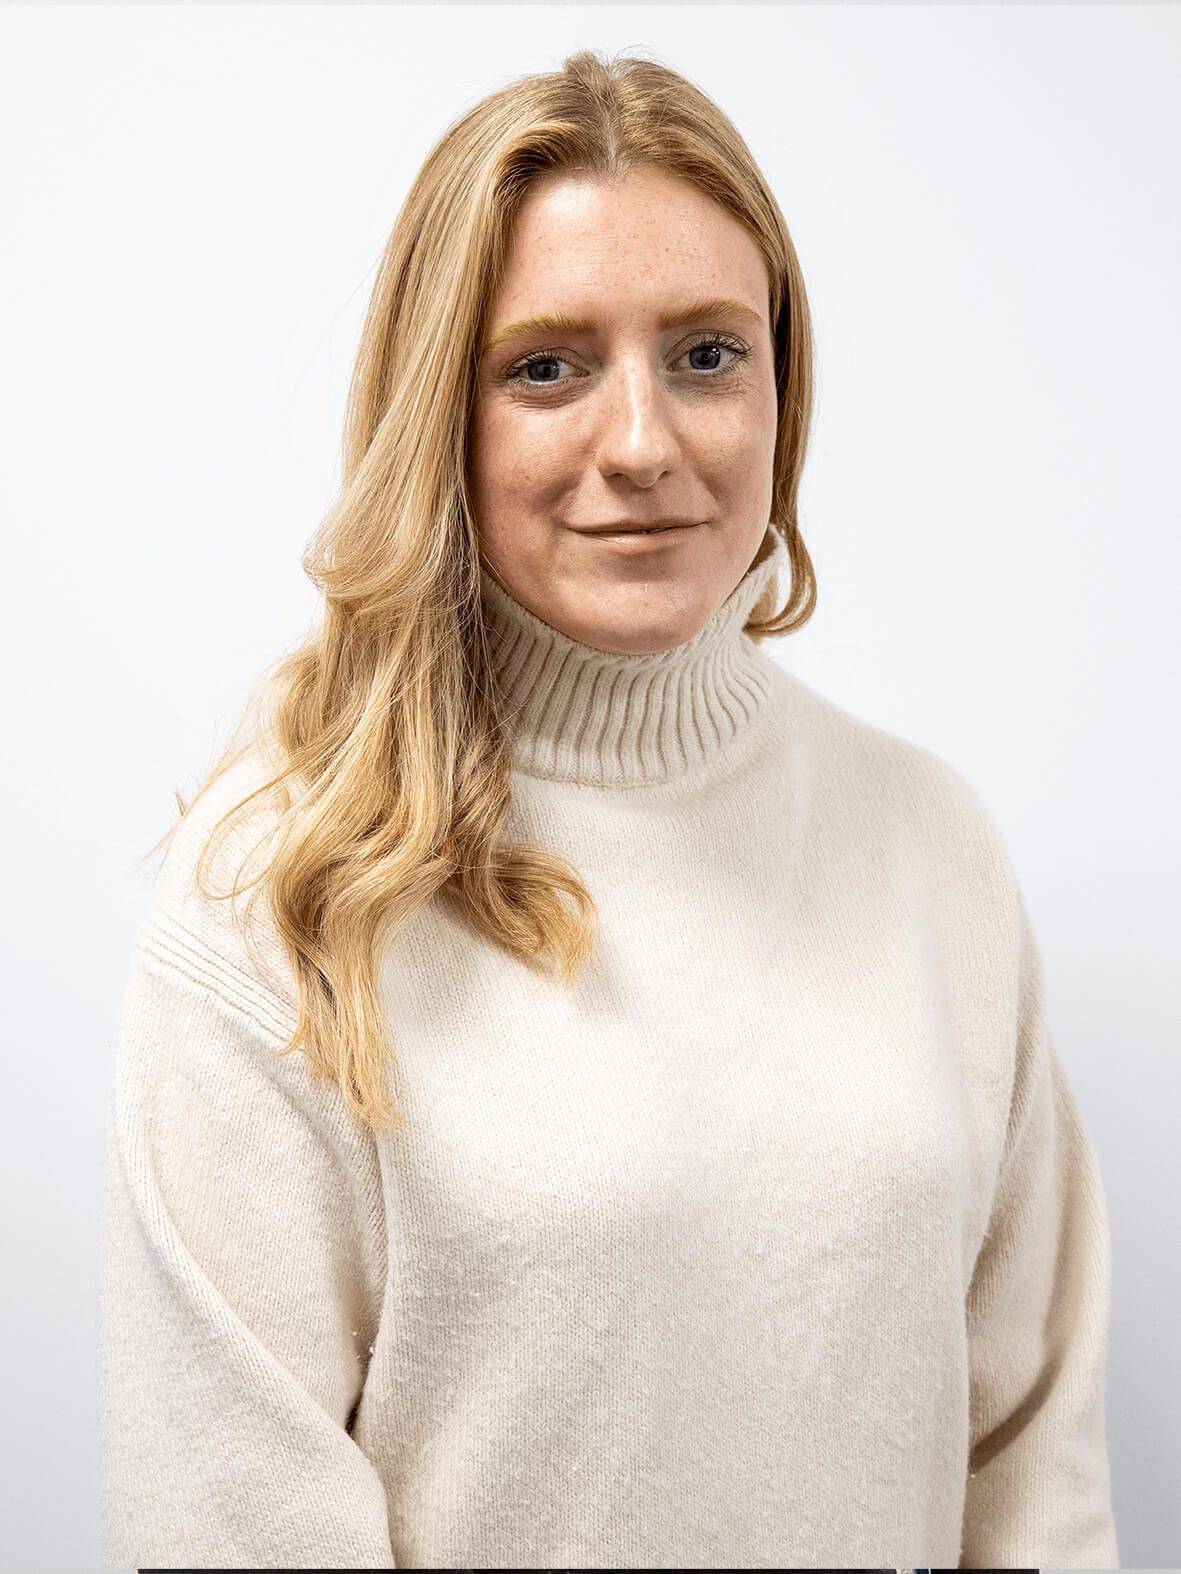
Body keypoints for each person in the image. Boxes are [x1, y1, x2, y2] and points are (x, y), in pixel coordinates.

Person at [99, 47, 1119, 1571]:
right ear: (439, 411)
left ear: (784, 386)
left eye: (707, 354)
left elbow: (1032, 1473)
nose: (641, 444)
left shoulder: (929, 846)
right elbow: (231, 1525)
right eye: (546, 365)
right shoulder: (276, 889)